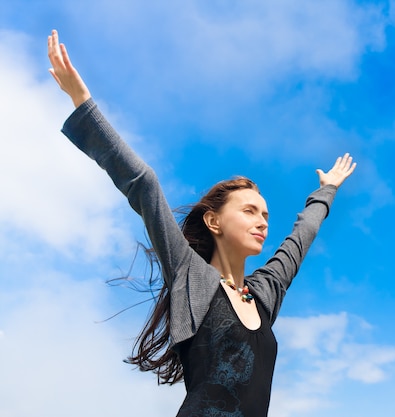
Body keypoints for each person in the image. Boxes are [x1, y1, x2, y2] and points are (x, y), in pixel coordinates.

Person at [47, 30, 356, 416]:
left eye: (265, 215)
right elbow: (143, 184)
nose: (262, 222)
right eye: (248, 211)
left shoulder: (264, 295)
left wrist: (325, 191)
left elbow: (299, 239)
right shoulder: (190, 276)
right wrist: (82, 102)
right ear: (213, 221)